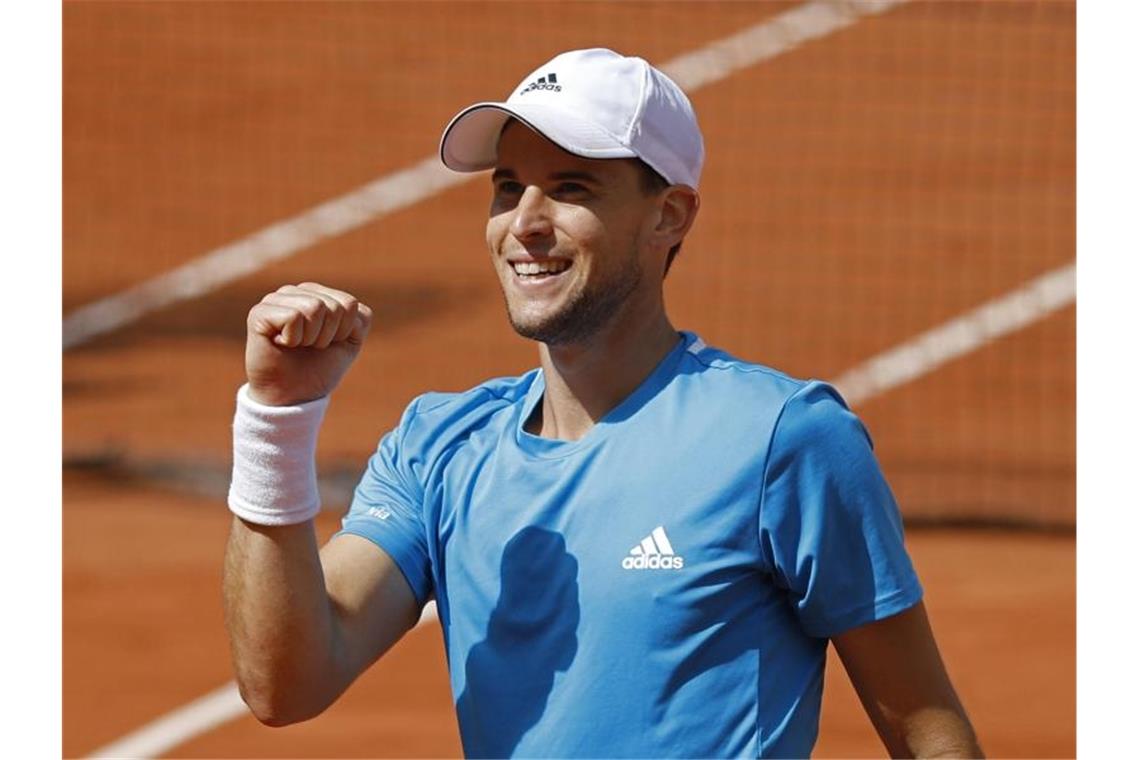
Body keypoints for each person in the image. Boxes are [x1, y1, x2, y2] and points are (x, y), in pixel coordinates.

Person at [223, 48, 982, 758]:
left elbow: (925, 728)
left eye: (572, 188)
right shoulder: (439, 447)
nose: (524, 223)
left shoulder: (782, 440)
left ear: (669, 215)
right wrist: (277, 419)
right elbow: (285, 684)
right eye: (508, 186)